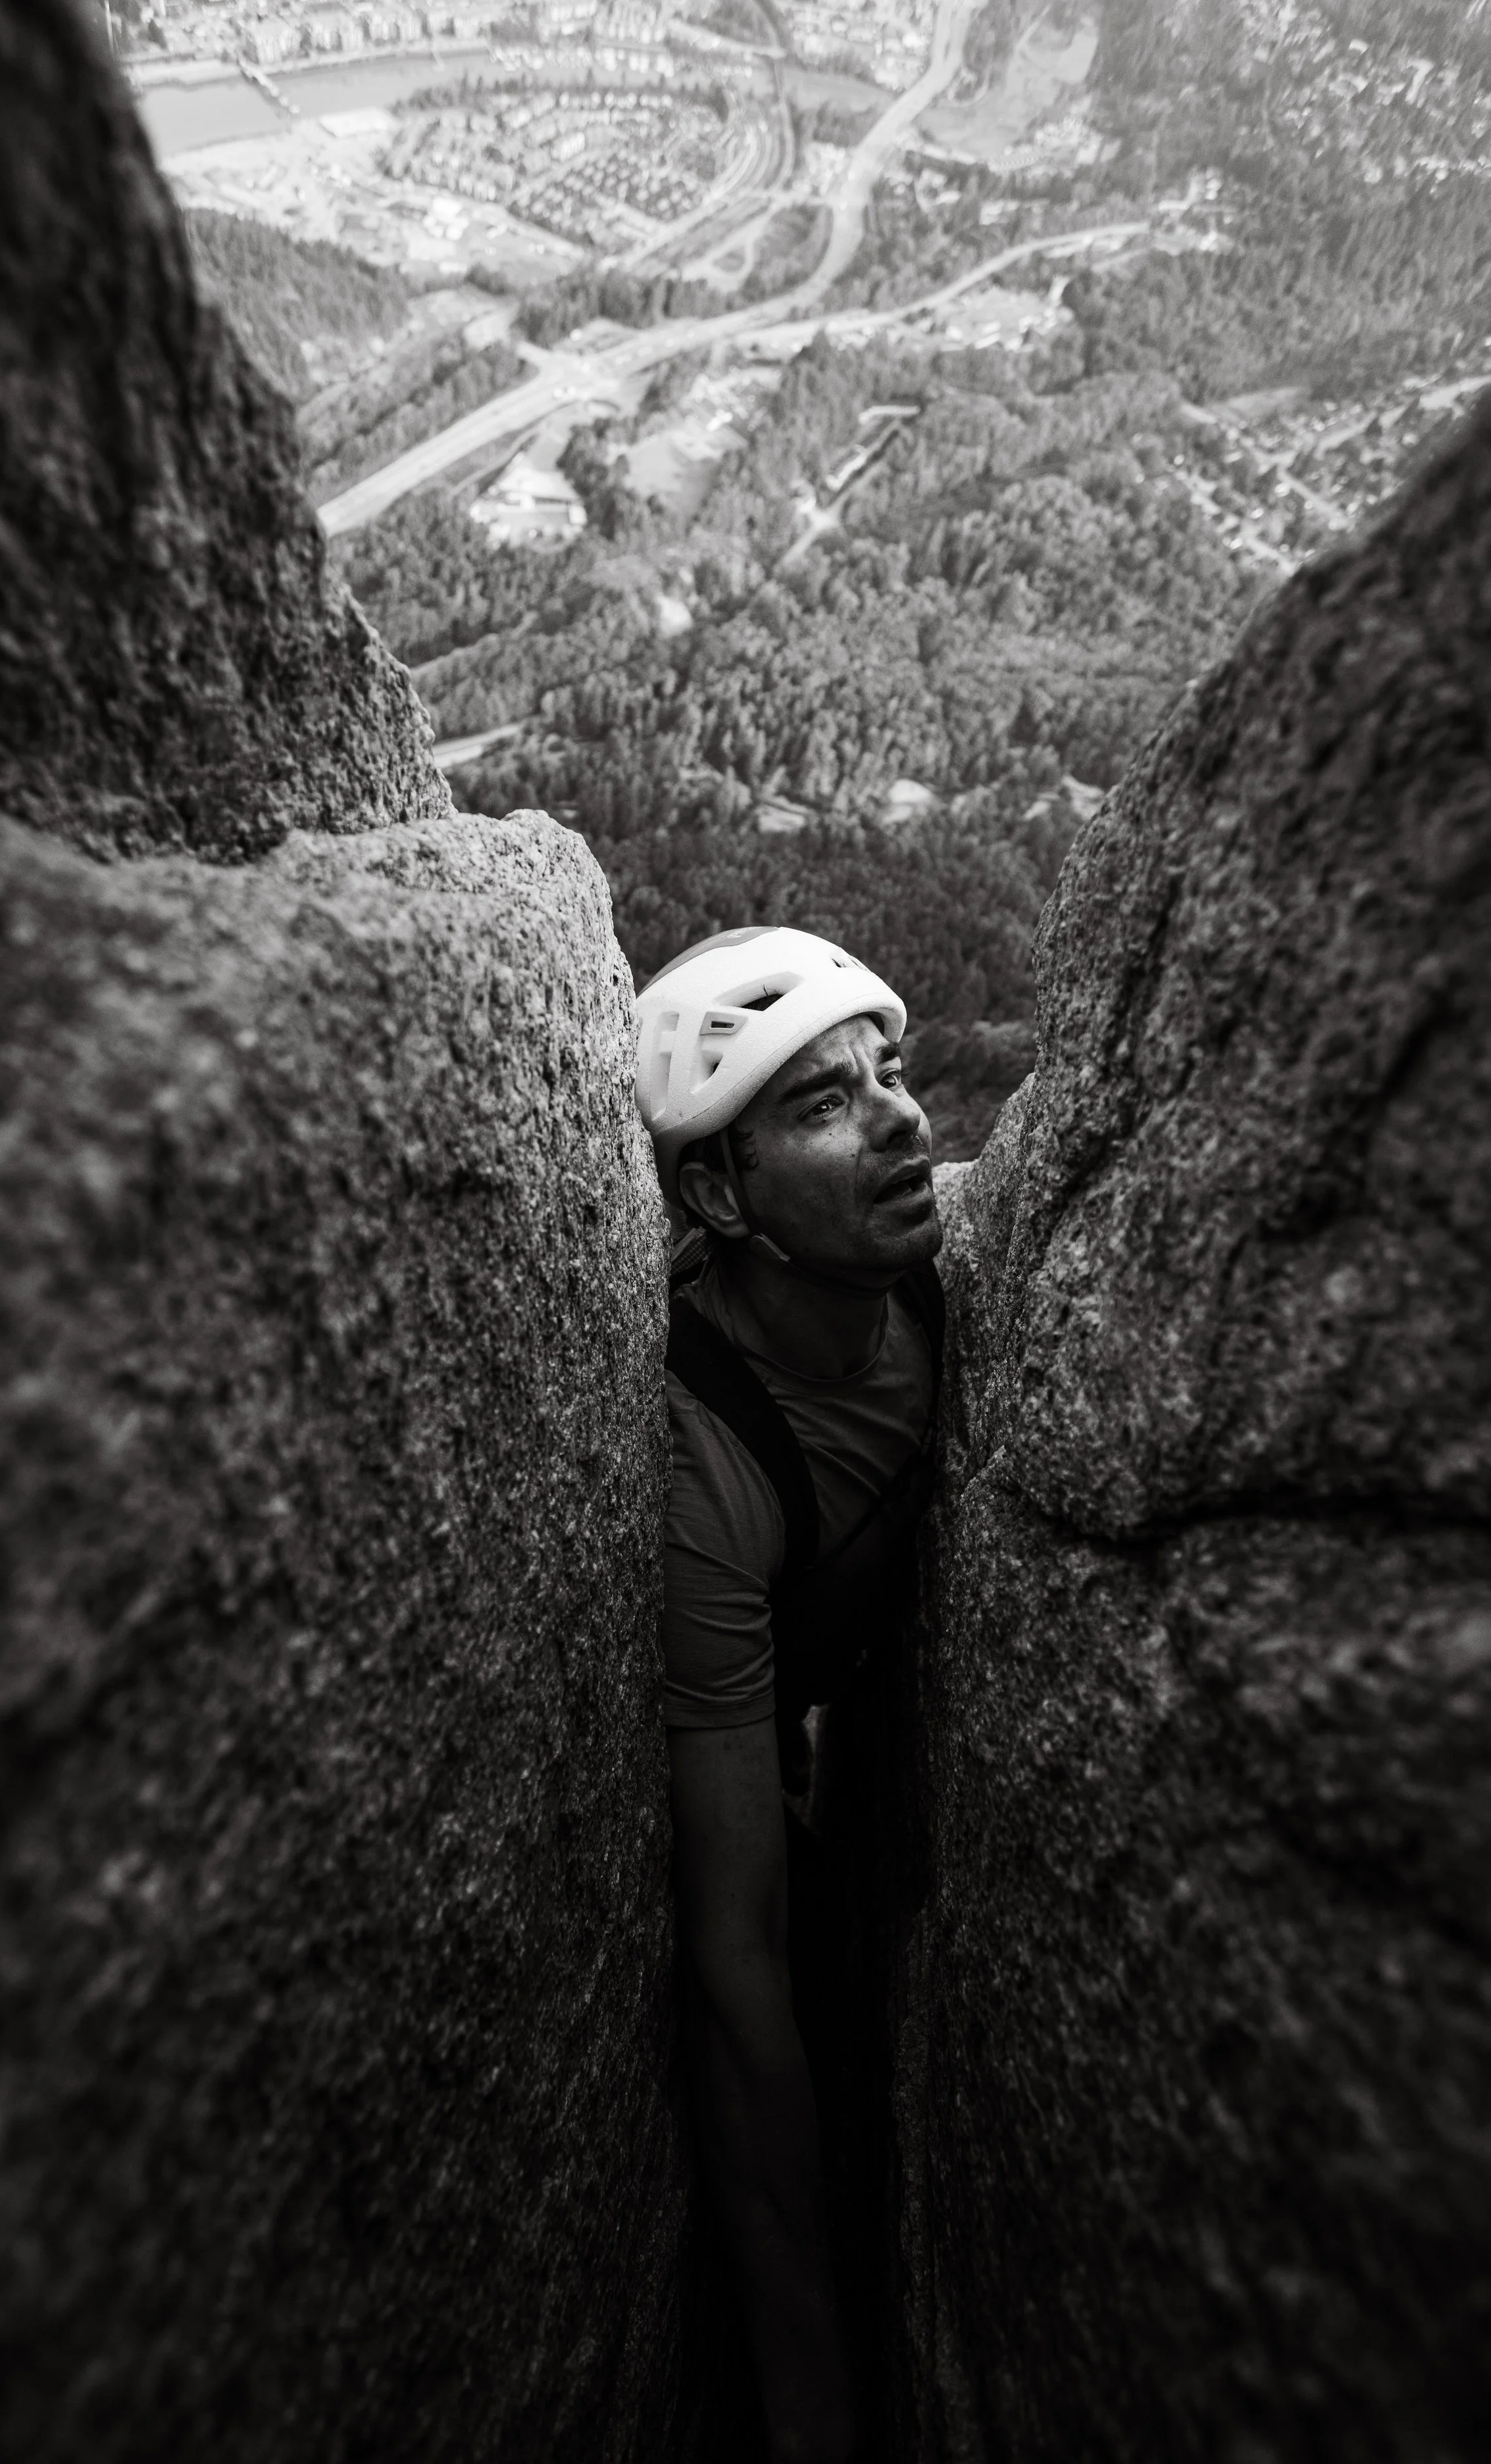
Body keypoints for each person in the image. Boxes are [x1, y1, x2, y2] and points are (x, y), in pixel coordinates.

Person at [633, 926, 944, 2464]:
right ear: (716, 1194)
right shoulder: (708, 1463)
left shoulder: (934, 1277)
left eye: (889, 1070)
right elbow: (736, 1957)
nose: (899, 1117)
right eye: (822, 1104)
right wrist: (812, 2402)